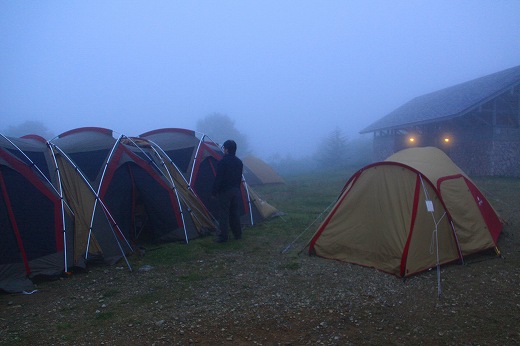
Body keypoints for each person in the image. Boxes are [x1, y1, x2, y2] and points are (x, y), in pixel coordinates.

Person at [212, 139, 244, 243]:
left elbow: (219, 178)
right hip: (236, 190)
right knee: (234, 213)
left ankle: (223, 237)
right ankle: (238, 234)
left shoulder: (222, 162)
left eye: (224, 148)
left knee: (224, 214)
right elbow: (239, 177)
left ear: (226, 149)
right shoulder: (239, 162)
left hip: (225, 191)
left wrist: (214, 191)